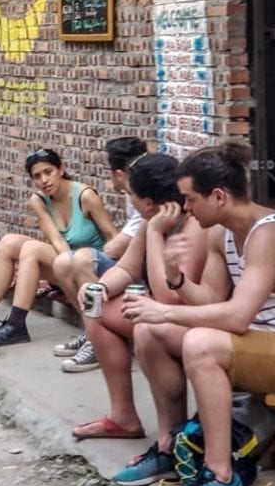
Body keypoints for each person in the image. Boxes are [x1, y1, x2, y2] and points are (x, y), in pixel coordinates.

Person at [112, 140, 275, 486]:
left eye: (189, 199)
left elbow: (235, 318)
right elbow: (210, 299)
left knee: (199, 342)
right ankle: (169, 446)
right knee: (149, 331)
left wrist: (165, 311)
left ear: (218, 196)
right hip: (263, 343)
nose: (185, 208)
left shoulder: (270, 233)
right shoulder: (222, 233)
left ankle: (221, 477)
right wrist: (176, 278)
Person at [71, 153, 207, 439]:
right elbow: (127, 268)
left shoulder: (193, 226)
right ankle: (123, 416)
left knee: (148, 327)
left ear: (147, 202)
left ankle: (171, 435)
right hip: (164, 312)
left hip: (195, 319)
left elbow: (169, 296)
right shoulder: (150, 221)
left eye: (131, 193)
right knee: (95, 308)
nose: (128, 198)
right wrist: (101, 288)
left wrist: (156, 234)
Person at [0, 149, 118, 347]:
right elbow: (56, 240)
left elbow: (112, 237)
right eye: (37, 176)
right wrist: (66, 265)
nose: (44, 180)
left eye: (48, 172)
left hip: (91, 268)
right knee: (8, 242)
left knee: (32, 249)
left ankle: (16, 324)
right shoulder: (38, 200)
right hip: (65, 263)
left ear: (61, 170)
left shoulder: (85, 195)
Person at [51, 136, 147, 371]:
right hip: (133, 262)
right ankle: (91, 330)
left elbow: (117, 246)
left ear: (118, 173)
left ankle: (98, 343)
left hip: (146, 271)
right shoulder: (130, 192)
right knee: (63, 262)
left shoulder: (143, 192)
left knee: (84, 258)